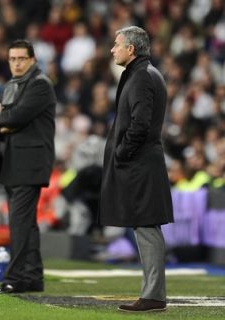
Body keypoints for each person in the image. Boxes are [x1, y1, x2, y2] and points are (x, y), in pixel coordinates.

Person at [99, 26, 174, 312]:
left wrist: (122, 152)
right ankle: (152, 293)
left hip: (141, 163)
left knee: (146, 225)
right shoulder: (144, 73)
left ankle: (154, 295)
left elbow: (140, 124)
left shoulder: (142, 76)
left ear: (131, 49)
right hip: (142, 162)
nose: (112, 49)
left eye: (116, 44)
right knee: (145, 225)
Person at [0, 40, 56, 294]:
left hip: (30, 164)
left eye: (21, 59)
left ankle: (14, 278)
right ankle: (33, 277)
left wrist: (5, 118)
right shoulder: (10, 86)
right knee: (26, 223)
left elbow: (16, 116)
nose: (16, 63)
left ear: (32, 60)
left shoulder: (40, 85)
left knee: (19, 222)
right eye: (12, 59)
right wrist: (4, 120)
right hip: (12, 163)